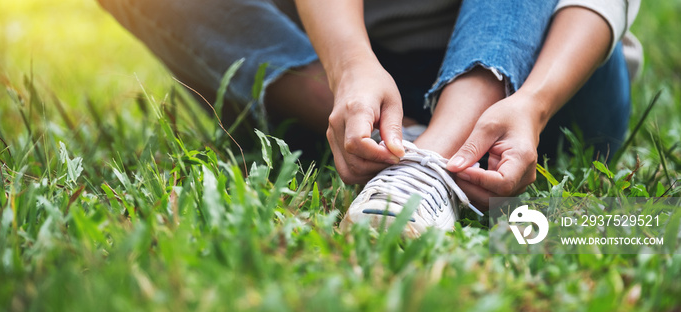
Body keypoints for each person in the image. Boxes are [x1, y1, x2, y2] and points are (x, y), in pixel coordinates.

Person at [98, 0, 641, 237]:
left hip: (547, 81)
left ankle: (423, 163)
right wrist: (349, 66)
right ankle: (409, 148)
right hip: (335, 74)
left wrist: (534, 102)